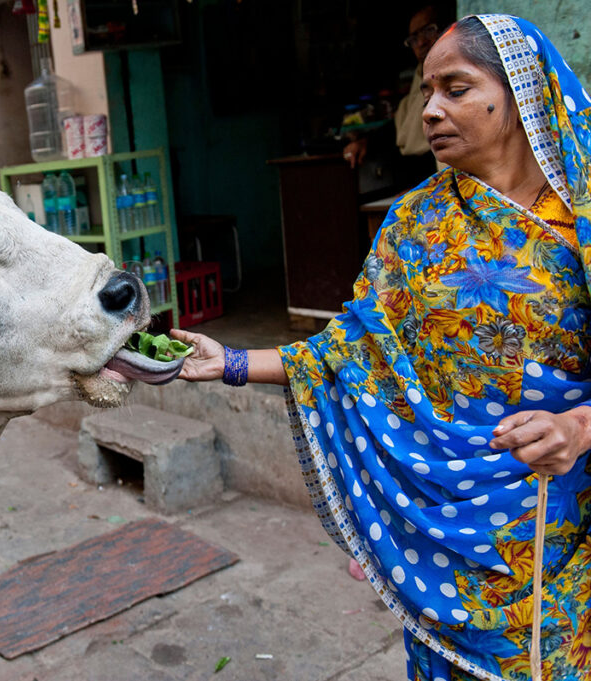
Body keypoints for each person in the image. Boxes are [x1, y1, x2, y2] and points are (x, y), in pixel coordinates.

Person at [175, 15, 591, 681]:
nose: (430, 111)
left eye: (455, 89)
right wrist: (227, 362)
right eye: (427, 91)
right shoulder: (413, 225)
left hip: (560, 525)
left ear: (521, 96)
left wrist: (576, 426)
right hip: (445, 538)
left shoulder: (581, 221)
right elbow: (354, 354)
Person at [343, 5, 443, 188]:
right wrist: (365, 142)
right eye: (413, 39)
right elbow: (399, 129)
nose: (421, 42)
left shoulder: (450, 77)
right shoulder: (419, 79)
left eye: (428, 31)